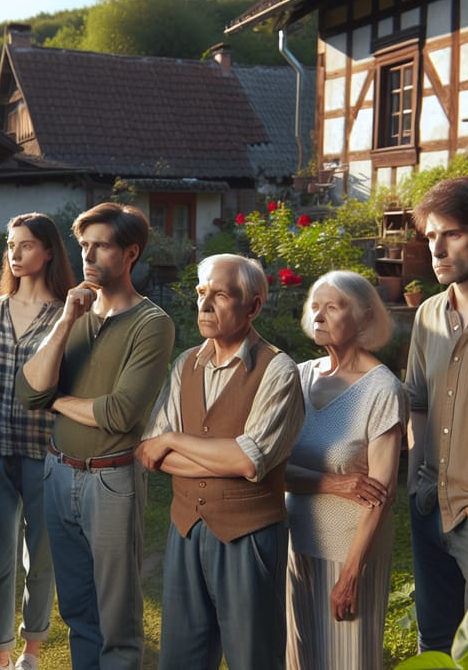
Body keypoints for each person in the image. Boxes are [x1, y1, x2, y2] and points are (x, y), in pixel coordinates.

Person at [18, 202, 175, 670]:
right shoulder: (74, 312)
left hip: (110, 480)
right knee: (77, 610)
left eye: (100, 246)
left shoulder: (153, 324)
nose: (87, 255)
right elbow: (28, 390)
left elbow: (121, 414)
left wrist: (57, 400)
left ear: (130, 254)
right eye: (83, 245)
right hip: (56, 471)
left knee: (117, 617)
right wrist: (66, 320)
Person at [136, 253, 304, 670]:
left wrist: (175, 440)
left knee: (254, 657)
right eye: (200, 293)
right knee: (181, 657)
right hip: (186, 529)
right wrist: (220, 456)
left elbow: (250, 460)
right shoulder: (185, 363)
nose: (205, 304)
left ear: (253, 306)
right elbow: (149, 452)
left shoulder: (278, 370)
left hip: (250, 537)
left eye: (221, 295)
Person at [284, 270, 407, 670]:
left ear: (365, 316)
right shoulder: (300, 377)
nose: (318, 316)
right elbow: (268, 468)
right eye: (314, 307)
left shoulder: (382, 391)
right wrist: (332, 483)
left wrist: (352, 574)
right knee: (298, 660)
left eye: (332, 307)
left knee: (346, 661)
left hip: (348, 555)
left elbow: (380, 497)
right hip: (292, 547)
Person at [0, 213, 75, 670]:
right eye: (11, 245)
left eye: (26, 245)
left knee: (42, 560)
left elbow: (70, 379)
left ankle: (31, 651)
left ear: (48, 251)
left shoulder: (66, 313)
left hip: (43, 451)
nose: (15, 253)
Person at [405, 176, 468, 653]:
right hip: (428, 510)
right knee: (434, 648)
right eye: (431, 236)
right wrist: (417, 484)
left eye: (452, 234)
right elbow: (416, 400)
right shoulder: (428, 315)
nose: (436, 249)